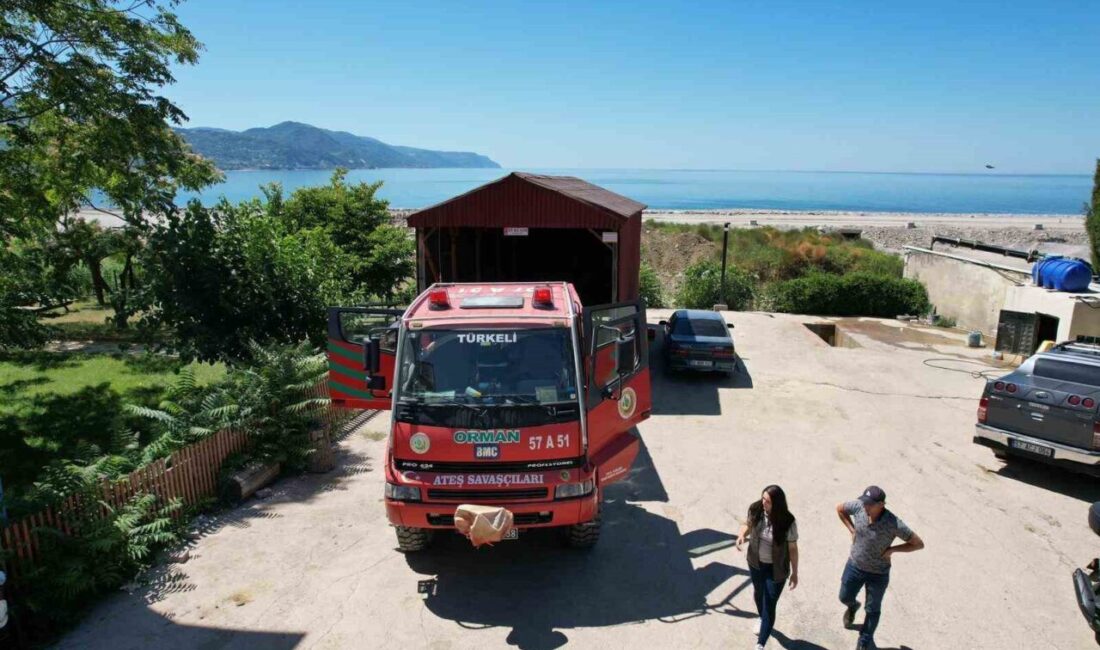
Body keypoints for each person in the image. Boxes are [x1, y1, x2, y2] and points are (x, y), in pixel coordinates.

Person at [836, 486, 924, 650]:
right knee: (844, 596)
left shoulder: (893, 523)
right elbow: (840, 509)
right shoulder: (859, 507)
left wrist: (893, 550)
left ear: (881, 504)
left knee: (873, 609)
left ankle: (864, 641)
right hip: (855, 565)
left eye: (870, 504)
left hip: (878, 573)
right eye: (864, 502)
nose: (865, 506)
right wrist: (851, 529)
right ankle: (853, 606)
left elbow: (918, 544)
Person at [736, 485, 799, 650]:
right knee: (759, 595)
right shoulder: (756, 509)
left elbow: (792, 549)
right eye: (763, 498)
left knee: (769, 603)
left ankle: (760, 644)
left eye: (768, 501)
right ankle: (762, 618)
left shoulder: (788, 522)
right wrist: (742, 534)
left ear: (777, 504)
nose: (764, 502)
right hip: (756, 564)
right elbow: (748, 524)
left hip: (776, 569)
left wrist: (795, 573)